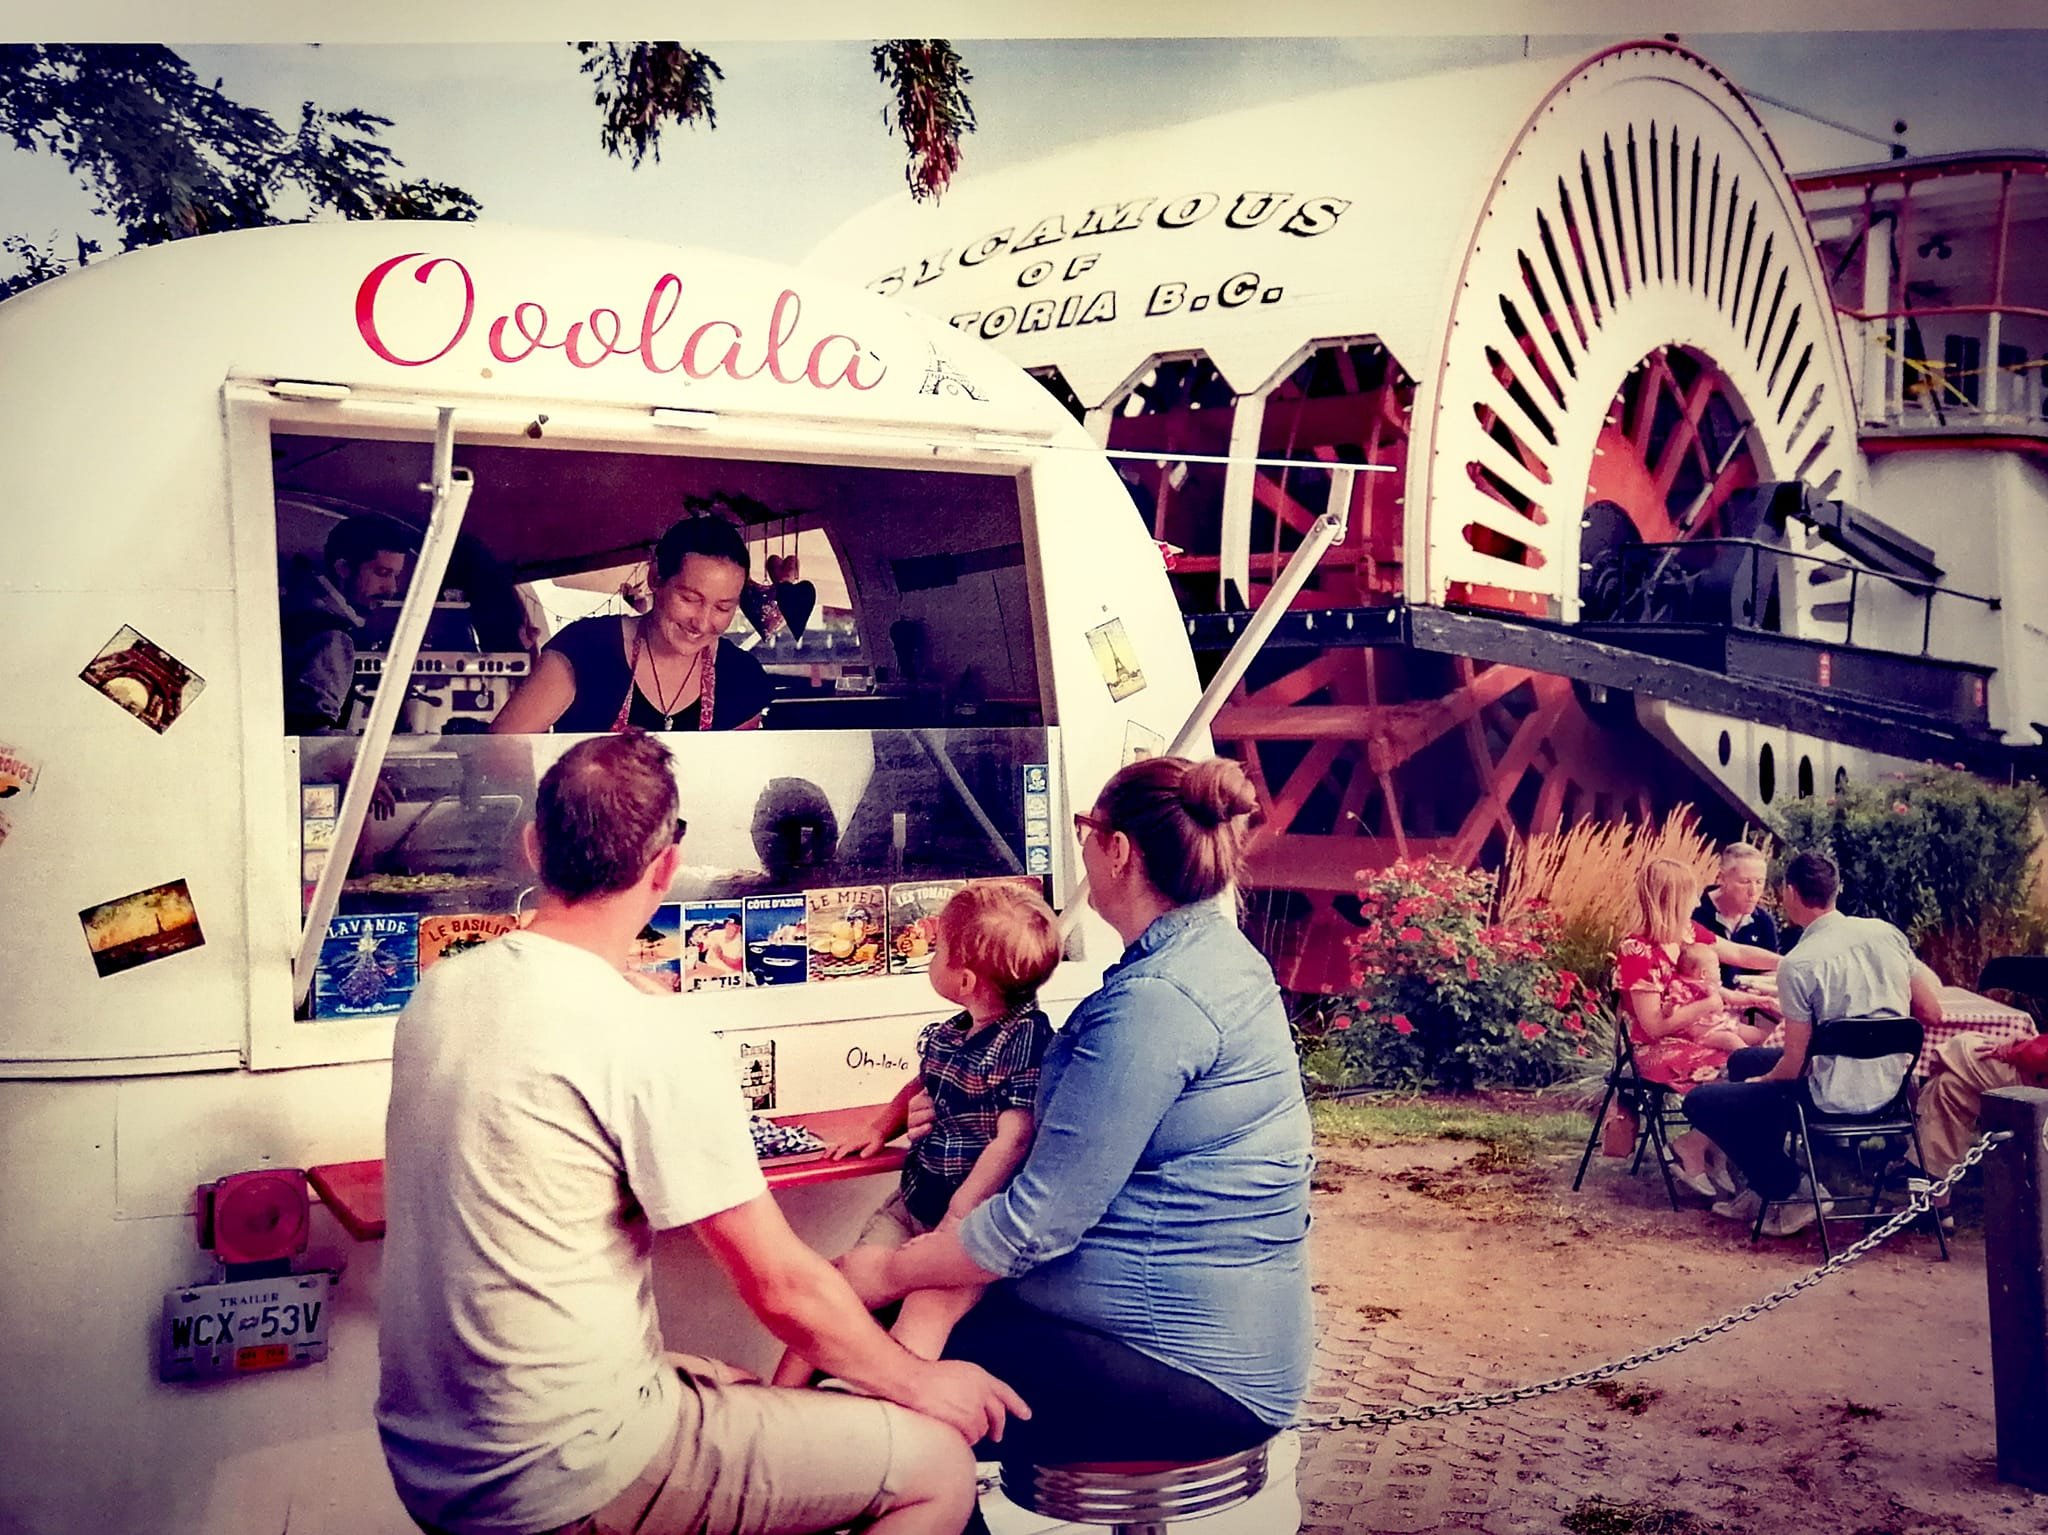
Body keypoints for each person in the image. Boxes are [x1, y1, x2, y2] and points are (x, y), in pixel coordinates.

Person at [376, 731, 1025, 1535]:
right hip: (565, 1474)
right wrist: (922, 1383)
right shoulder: (642, 1032)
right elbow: (779, 1285)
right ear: (664, 870)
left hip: (433, 1458)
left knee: (741, 1384)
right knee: (937, 1466)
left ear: (534, 845)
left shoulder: (441, 991)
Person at [839, 756, 1314, 1512]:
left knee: (878, 1407)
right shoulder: (1213, 958)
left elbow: (1035, 1222)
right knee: (895, 1363)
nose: (1083, 848)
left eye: (1086, 832)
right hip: (1202, 1348)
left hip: (1182, 1371)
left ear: (1118, 850)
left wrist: (891, 1271)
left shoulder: (1155, 1002)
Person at [772, 882, 1059, 1385]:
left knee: (922, 1318)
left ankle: (894, 1423)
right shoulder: (954, 1031)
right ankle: (778, 1403)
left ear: (965, 978)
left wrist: (958, 1215)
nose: (931, 955)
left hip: (970, 1227)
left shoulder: (1024, 1041)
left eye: (938, 949)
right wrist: (878, 1128)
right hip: (914, 1201)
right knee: (835, 1292)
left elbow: (1013, 1139)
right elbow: (921, 1082)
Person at [1685, 851, 1945, 1238]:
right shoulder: (1885, 933)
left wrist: (1762, 1084)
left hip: (1831, 1097)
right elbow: (1932, 1011)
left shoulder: (1800, 963)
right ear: (1836, 889)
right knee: (1743, 1060)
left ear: (1790, 893)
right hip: (1891, 1091)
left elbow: (1792, 1065)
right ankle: (1762, 1192)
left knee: (1702, 1102)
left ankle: (1794, 1191)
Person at [491, 517, 774, 734]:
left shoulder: (742, 677)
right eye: (689, 598)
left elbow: (738, 784)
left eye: (723, 607)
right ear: (655, 579)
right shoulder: (586, 649)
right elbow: (501, 754)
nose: (701, 622)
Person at [1613, 859, 1783, 1195]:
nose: (1696, 902)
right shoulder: (1637, 950)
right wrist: (1707, 1005)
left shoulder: (1687, 932)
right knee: (1742, 1071)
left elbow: (1738, 953)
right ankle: (1694, 1147)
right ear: (1673, 899)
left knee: (1755, 1059)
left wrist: (1793, 963)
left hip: (1696, 1035)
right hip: (1655, 1049)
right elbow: (1654, 1028)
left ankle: (1712, 1149)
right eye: (1690, 895)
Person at [280, 515, 412, 733]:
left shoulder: (293, 612)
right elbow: (312, 736)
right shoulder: (331, 637)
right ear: (343, 568)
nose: (391, 588)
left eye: (395, 576)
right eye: (382, 573)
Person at [1914, 1031, 2048, 1221]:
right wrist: (2027, 1045)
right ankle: (1936, 1201)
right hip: (2036, 1070)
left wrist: (2013, 1051)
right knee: (1950, 1086)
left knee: (1963, 1048)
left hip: (2037, 1083)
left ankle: (1923, 1177)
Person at [1692, 843, 1784, 986]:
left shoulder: (1764, 921)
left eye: (1759, 882)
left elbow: (1769, 970)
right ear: (1721, 878)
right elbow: (1738, 954)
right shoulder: (1694, 913)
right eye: (1745, 882)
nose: (1753, 891)